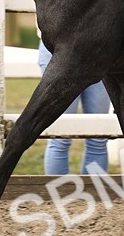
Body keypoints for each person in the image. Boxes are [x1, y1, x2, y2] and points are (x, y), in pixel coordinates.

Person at [38, 40, 110, 175]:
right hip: (60, 51)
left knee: (99, 137)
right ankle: (59, 194)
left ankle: (94, 193)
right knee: (60, 137)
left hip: (99, 53)